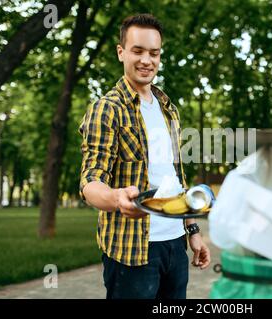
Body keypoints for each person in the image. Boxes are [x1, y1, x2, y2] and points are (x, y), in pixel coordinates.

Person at [78, 13, 210, 299]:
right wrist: (116, 198)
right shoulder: (107, 109)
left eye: (154, 53)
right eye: (138, 51)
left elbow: (175, 178)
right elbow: (90, 180)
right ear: (121, 51)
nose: (146, 60)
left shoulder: (168, 108)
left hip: (175, 246)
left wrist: (193, 230)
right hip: (132, 250)